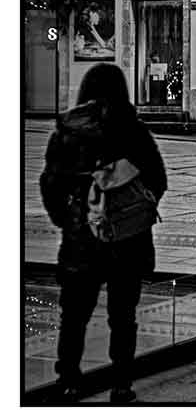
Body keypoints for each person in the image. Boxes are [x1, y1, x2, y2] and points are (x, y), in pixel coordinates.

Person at [39, 63, 167, 403]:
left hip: (82, 241)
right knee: (123, 317)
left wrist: (70, 220)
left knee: (74, 316)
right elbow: (158, 178)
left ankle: (68, 381)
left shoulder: (67, 133)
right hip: (129, 239)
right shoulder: (134, 132)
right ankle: (121, 384)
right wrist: (133, 211)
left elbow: (50, 185)